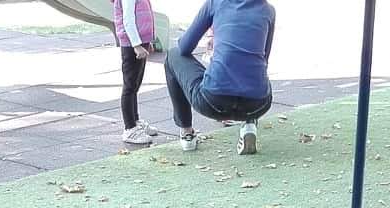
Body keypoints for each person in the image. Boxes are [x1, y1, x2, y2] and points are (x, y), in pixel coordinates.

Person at [165, 0, 276, 156]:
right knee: (256, 70)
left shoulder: (215, 3)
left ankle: (187, 133)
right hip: (257, 105)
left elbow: (184, 47)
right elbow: (265, 56)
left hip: (213, 102)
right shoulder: (268, 10)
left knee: (173, 54)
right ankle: (249, 125)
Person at [114, 0, 163, 146]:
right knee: (129, 86)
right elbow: (128, 19)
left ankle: (135, 121)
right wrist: (136, 45)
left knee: (135, 84)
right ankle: (129, 128)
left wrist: (149, 40)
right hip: (131, 44)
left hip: (141, 41)